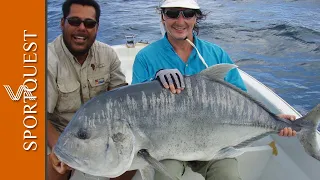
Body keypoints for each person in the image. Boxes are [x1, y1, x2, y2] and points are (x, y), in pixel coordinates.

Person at [131, 0, 296, 180]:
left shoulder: (216, 54)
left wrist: (273, 118)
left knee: (228, 175)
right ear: (163, 17)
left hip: (215, 143)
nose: (180, 21)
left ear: (196, 18)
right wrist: (153, 80)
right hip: (165, 147)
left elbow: (240, 98)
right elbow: (133, 109)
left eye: (187, 14)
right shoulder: (146, 57)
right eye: (172, 13)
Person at [47, 0, 136, 180]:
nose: (82, 28)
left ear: (96, 27)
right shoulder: (46, 60)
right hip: (60, 134)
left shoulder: (108, 54)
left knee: (129, 165)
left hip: (101, 132)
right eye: (74, 21)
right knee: (53, 171)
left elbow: (122, 99)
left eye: (89, 23)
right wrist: (59, 148)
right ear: (62, 22)